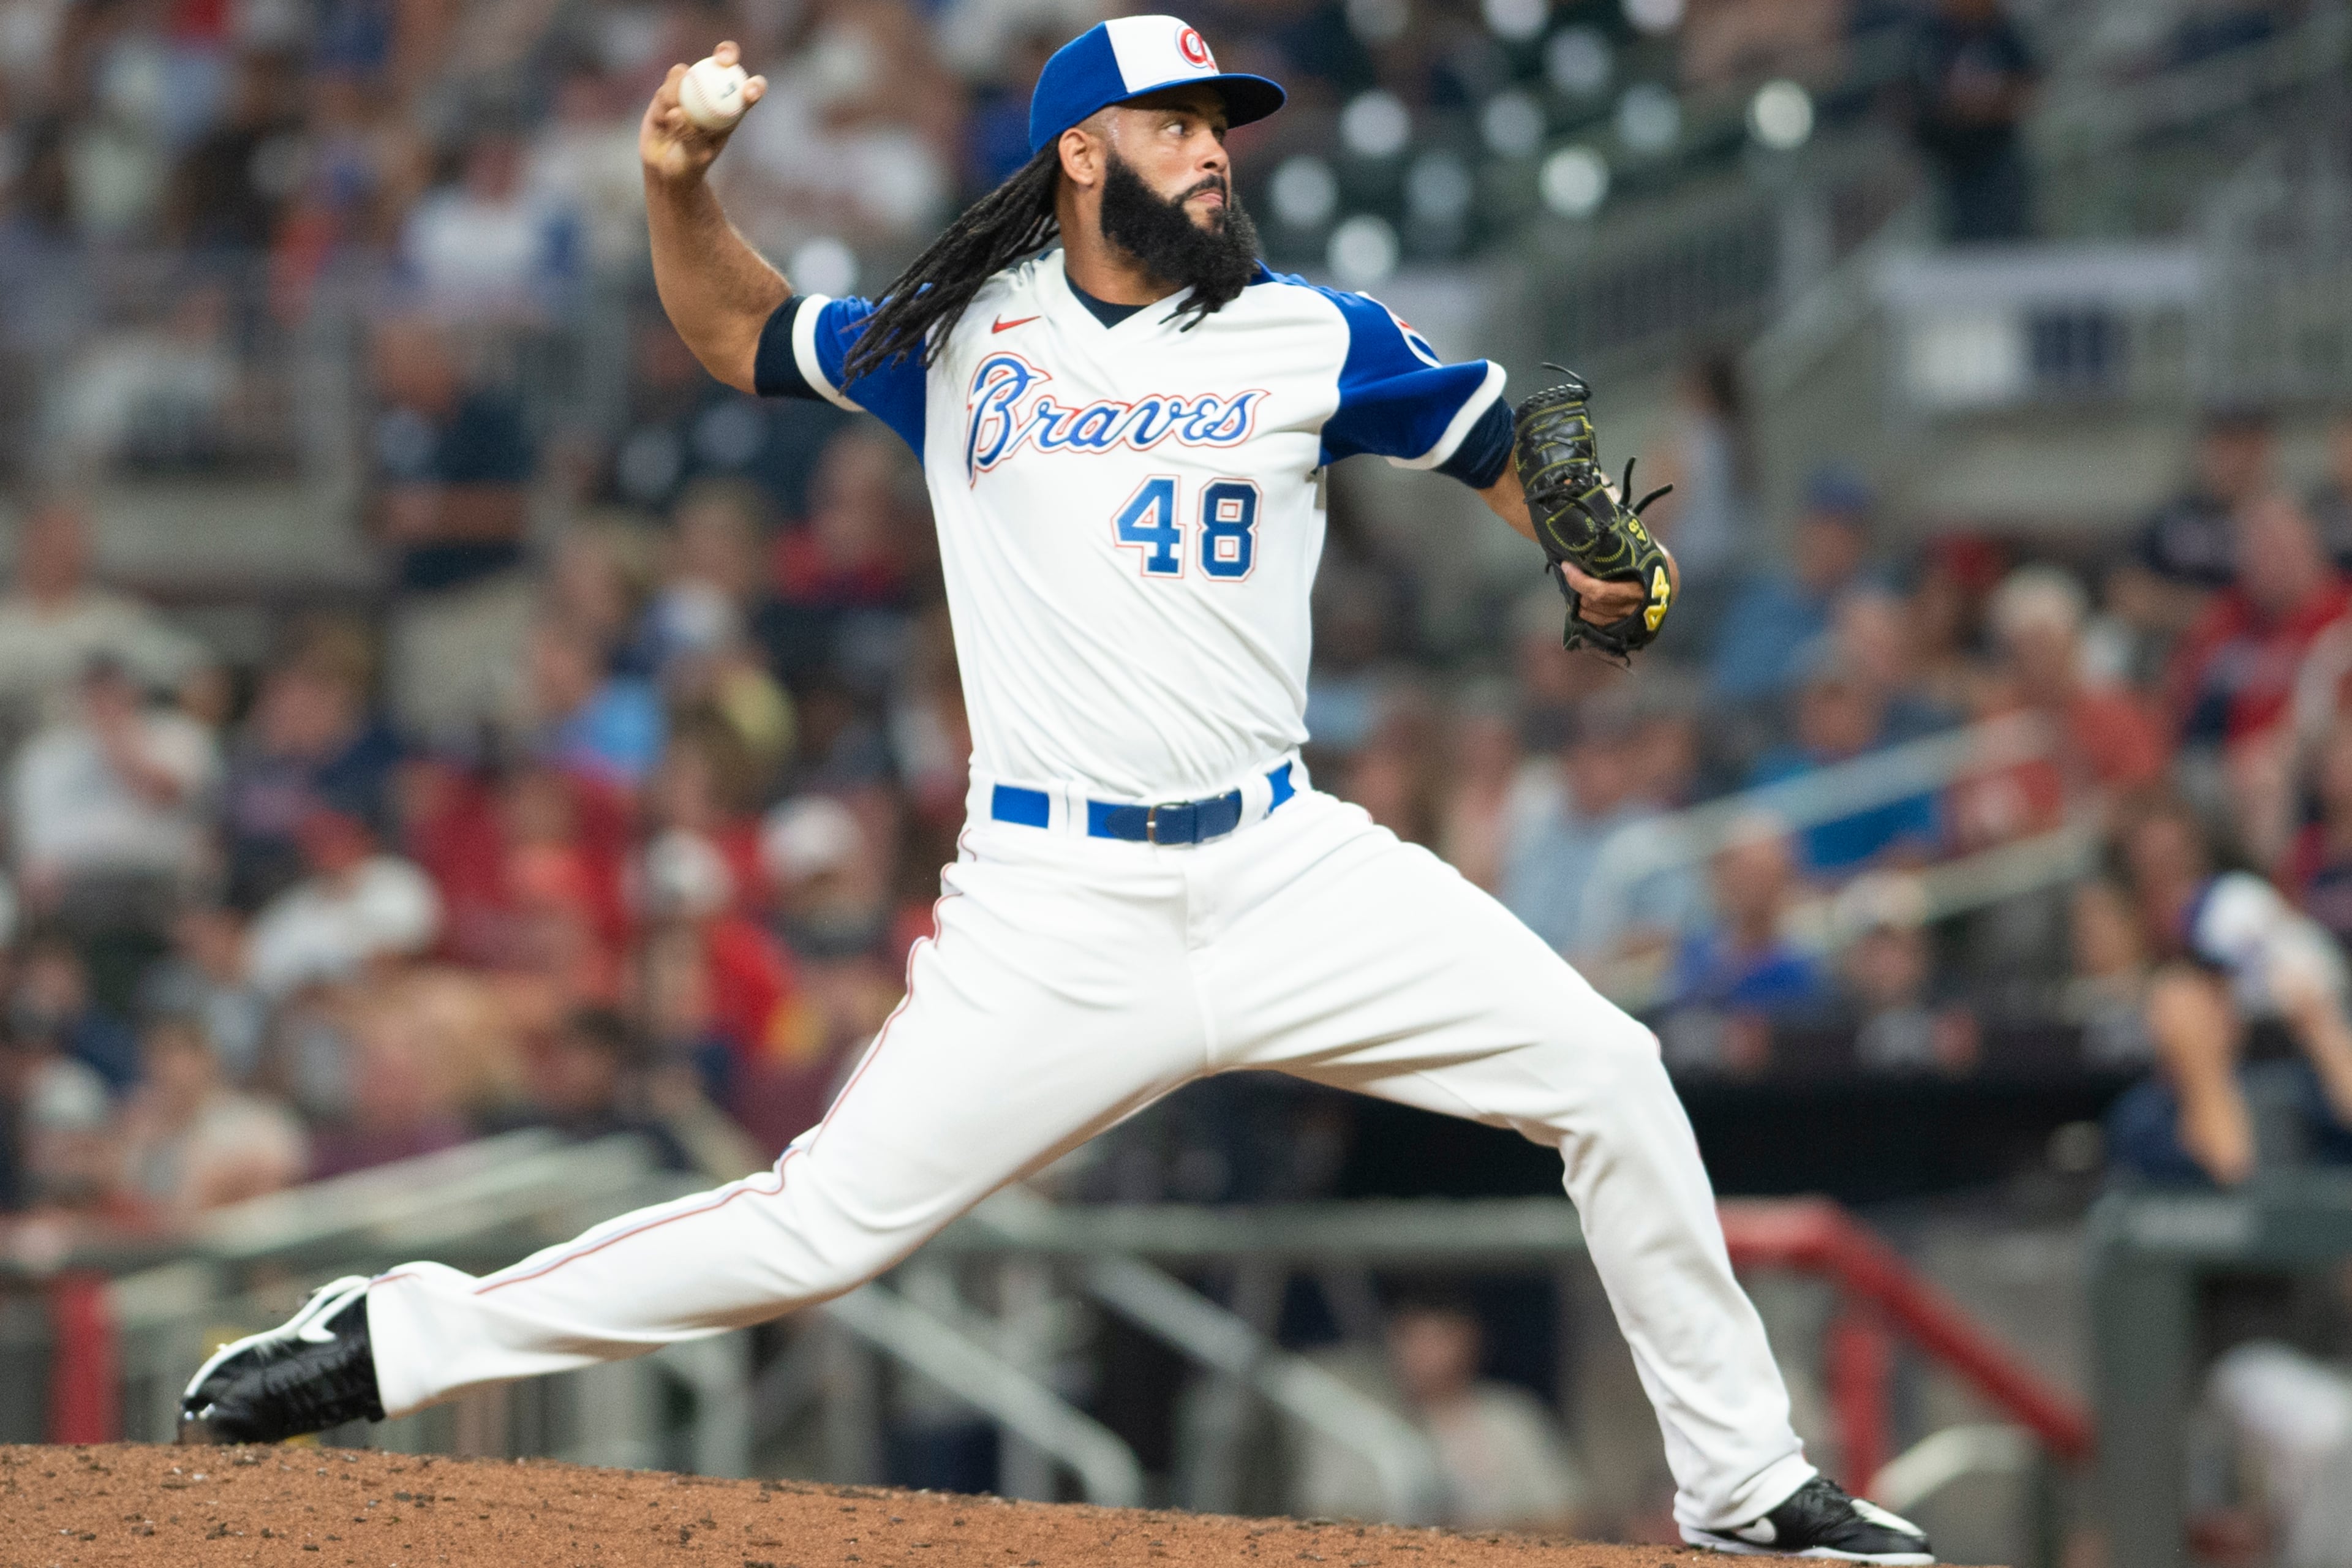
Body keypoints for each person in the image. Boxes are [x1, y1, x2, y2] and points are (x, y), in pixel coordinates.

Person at [180, 22, 1929, 1561]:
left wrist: (1596, 566)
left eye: (1225, 128)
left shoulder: (1308, 336)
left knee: (1611, 1075)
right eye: (1179, 125)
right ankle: (395, 1340)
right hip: (1055, 909)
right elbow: (740, 333)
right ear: (1083, 153)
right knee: (816, 1230)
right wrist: (673, 184)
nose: (1216, 152)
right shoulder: (963, 337)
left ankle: (1746, 1488)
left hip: (1286, 866)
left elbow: (1498, 449)